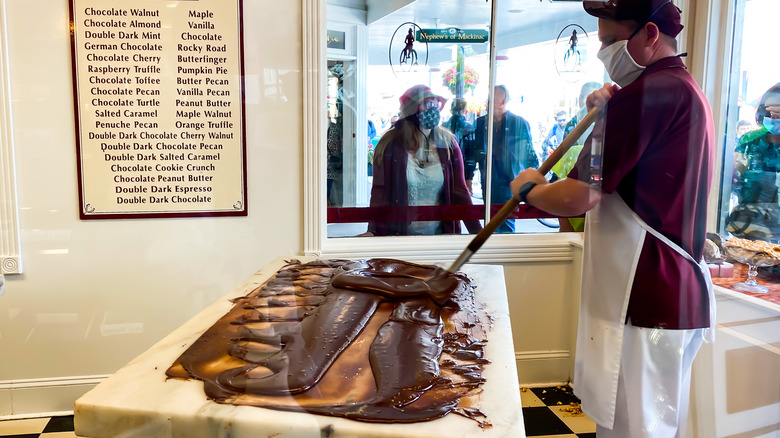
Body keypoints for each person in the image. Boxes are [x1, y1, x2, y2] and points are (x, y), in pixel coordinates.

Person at [509, 1, 715, 436]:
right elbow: (623, 175)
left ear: (650, 34)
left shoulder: (647, 97)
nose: (603, 52)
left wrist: (529, 189)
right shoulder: (682, 89)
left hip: (644, 294)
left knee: (634, 429)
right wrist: (608, 115)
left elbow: (578, 195)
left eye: (608, 41)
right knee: (648, 426)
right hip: (672, 290)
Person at [360, 85, 482, 236]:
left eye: (435, 104)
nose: (433, 109)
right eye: (427, 104)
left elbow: (460, 191)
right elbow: (380, 193)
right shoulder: (389, 144)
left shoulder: (447, 142)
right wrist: (372, 231)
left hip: (441, 236)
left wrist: (477, 231)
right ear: (412, 109)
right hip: (399, 236)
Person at [465, 85, 538, 233]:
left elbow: (530, 155)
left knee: (506, 224)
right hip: (488, 181)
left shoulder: (518, 123)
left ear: (503, 102)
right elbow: (473, 151)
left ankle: (505, 252)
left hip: (510, 182)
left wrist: (533, 182)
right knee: (490, 222)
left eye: (492, 100)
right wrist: (468, 177)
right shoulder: (480, 123)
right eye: (488, 99)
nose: (488, 103)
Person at [729, 83, 780, 239]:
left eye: (777, 112)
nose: (773, 117)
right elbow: (734, 180)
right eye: (769, 112)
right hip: (748, 228)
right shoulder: (749, 141)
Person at [551, 81, 602, 232]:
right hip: (573, 183)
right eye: (584, 97)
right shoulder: (572, 124)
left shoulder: (609, 127)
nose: (585, 101)